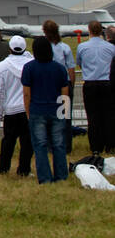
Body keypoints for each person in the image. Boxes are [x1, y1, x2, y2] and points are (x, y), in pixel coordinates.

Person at [22, 35, 70, 184]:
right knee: (59, 145)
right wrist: (65, 112)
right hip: (57, 110)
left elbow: (26, 93)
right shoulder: (60, 68)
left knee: (40, 146)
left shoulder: (29, 68)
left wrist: (28, 111)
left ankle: (45, 178)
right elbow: (65, 92)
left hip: (37, 110)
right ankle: (61, 176)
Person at [0, 35, 34, 177]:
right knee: (27, 142)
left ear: (10, 48)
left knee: (8, 141)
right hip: (27, 108)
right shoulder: (31, 64)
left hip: (10, 110)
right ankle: (24, 169)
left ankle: (3, 168)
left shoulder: (2, 66)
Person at [76, 20, 114, 154]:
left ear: (89, 31)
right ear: (101, 31)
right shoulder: (110, 47)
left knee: (92, 117)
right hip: (106, 83)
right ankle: (109, 145)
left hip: (90, 83)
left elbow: (79, 63)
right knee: (108, 116)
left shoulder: (82, 47)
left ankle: (95, 147)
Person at [42, 20, 77, 153]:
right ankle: (66, 146)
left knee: (50, 116)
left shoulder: (44, 48)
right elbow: (71, 69)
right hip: (64, 85)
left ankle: (52, 146)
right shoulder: (65, 47)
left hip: (49, 86)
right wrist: (71, 85)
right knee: (65, 117)